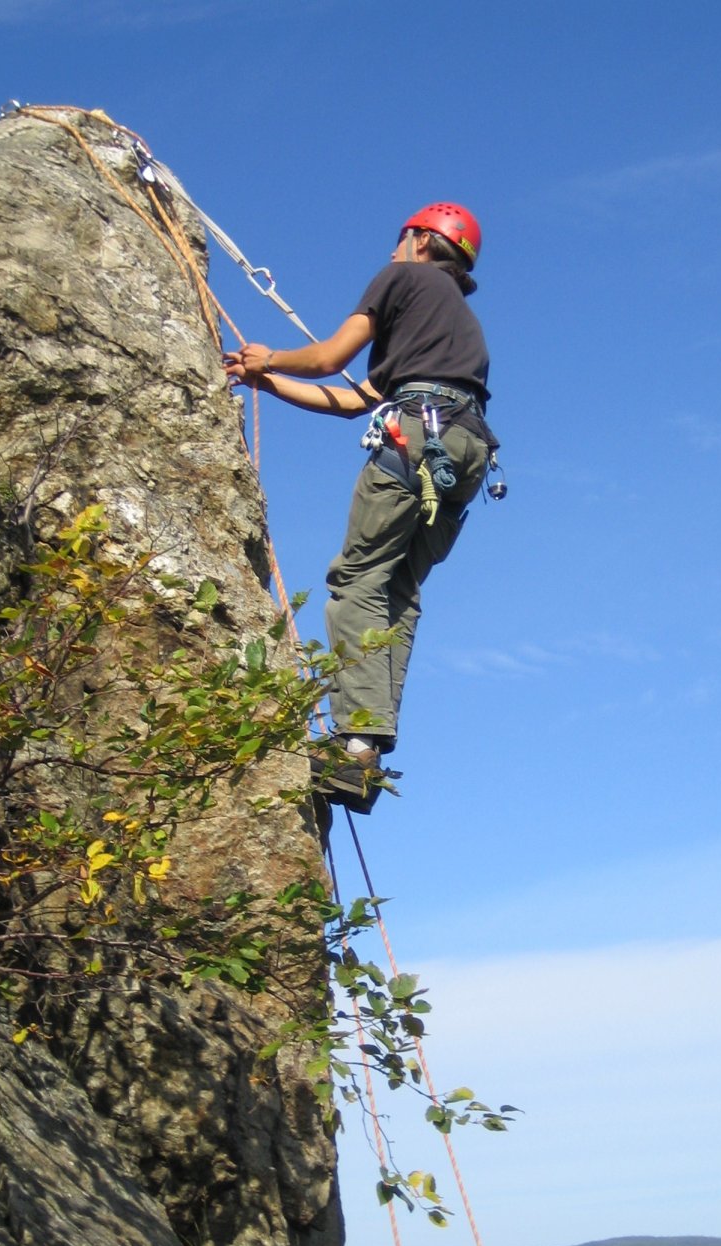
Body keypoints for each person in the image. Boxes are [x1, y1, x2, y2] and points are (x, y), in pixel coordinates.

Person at [225, 203, 498, 806]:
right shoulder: (455, 322)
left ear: (421, 240)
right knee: (396, 592)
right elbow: (351, 400)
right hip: (465, 450)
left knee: (355, 582)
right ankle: (364, 753)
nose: (397, 248)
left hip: (418, 439)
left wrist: (268, 357)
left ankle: (355, 743)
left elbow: (329, 358)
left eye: (403, 240)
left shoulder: (402, 277)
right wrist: (268, 383)